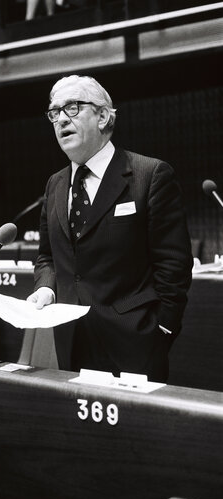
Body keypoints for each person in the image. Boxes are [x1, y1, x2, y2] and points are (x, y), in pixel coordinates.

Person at [27, 74, 193, 382]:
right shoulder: (55, 184)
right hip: (71, 340)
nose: (61, 119)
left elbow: (174, 265)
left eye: (73, 108)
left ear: (103, 116)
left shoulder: (150, 174)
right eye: (54, 112)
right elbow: (48, 257)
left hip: (135, 341)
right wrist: (45, 288)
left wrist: (162, 330)